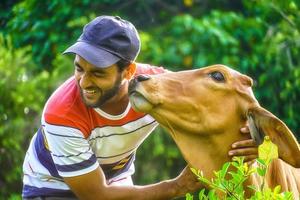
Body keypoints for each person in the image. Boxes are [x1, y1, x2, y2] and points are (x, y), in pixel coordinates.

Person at [22, 16, 258, 200]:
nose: (84, 82)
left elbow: (213, 111)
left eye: (98, 73)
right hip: (51, 186)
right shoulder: (62, 114)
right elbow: (95, 195)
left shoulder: (157, 87)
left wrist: (252, 143)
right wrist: (176, 187)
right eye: (79, 68)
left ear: (129, 72)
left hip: (114, 178)